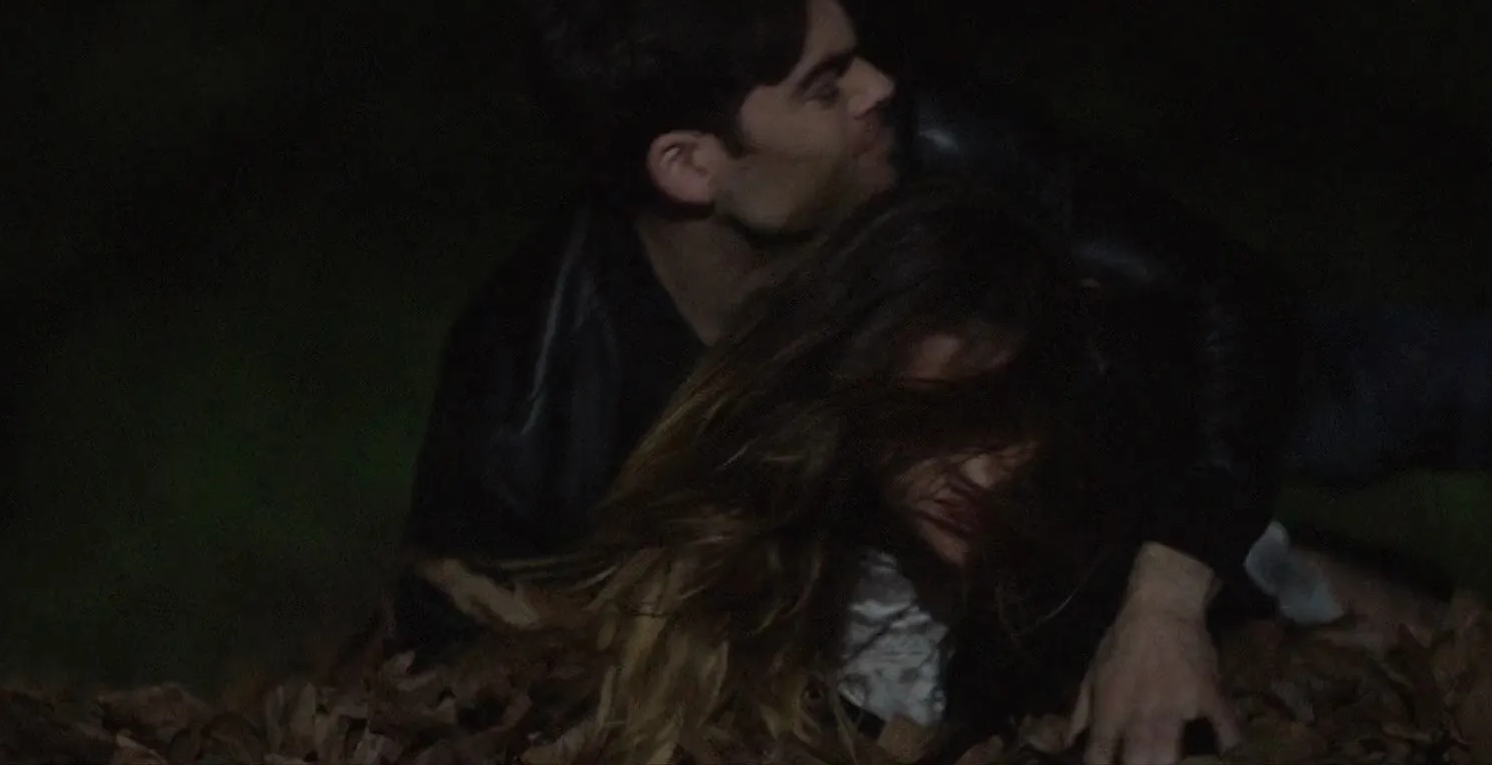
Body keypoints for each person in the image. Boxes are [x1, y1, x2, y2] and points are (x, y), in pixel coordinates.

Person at [396, 0, 1492, 761]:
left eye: (859, 54)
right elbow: (465, 659)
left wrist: (1169, 588)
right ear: (692, 164)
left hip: (1122, 391)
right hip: (955, 549)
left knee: (1433, 383)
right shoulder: (535, 393)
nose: (879, 86)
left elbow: (1224, 304)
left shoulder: (931, 141)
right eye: (825, 84)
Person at [476, 181, 1362, 764]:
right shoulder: (738, 556)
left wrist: (1166, 602)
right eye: (937, 425)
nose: (979, 472)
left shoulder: (1074, 550)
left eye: (1007, 428)